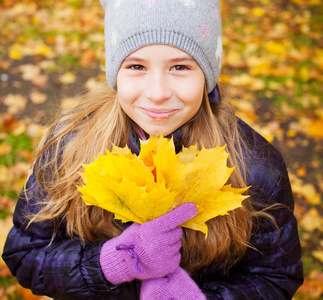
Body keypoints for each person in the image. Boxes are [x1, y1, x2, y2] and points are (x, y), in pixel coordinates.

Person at [3, 0, 303, 299]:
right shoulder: (71, 146)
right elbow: (26, 256)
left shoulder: (255, 168)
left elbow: (275, 278)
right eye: (136, 66)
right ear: (115, 74)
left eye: (180, 67)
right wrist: (108, 264)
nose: (158, 93)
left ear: (207, 75)